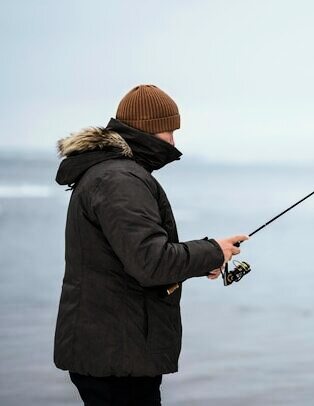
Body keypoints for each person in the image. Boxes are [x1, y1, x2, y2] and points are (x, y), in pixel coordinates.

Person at [53, 84, 248, 405]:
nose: (173, 140)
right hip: (117, 357)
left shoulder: (113, 174)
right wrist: (212, 250)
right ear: (144, 130)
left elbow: (134, 256)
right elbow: (151, 263)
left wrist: (207, 258)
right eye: (168, 130)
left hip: (115, 350)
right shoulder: (119, 180)